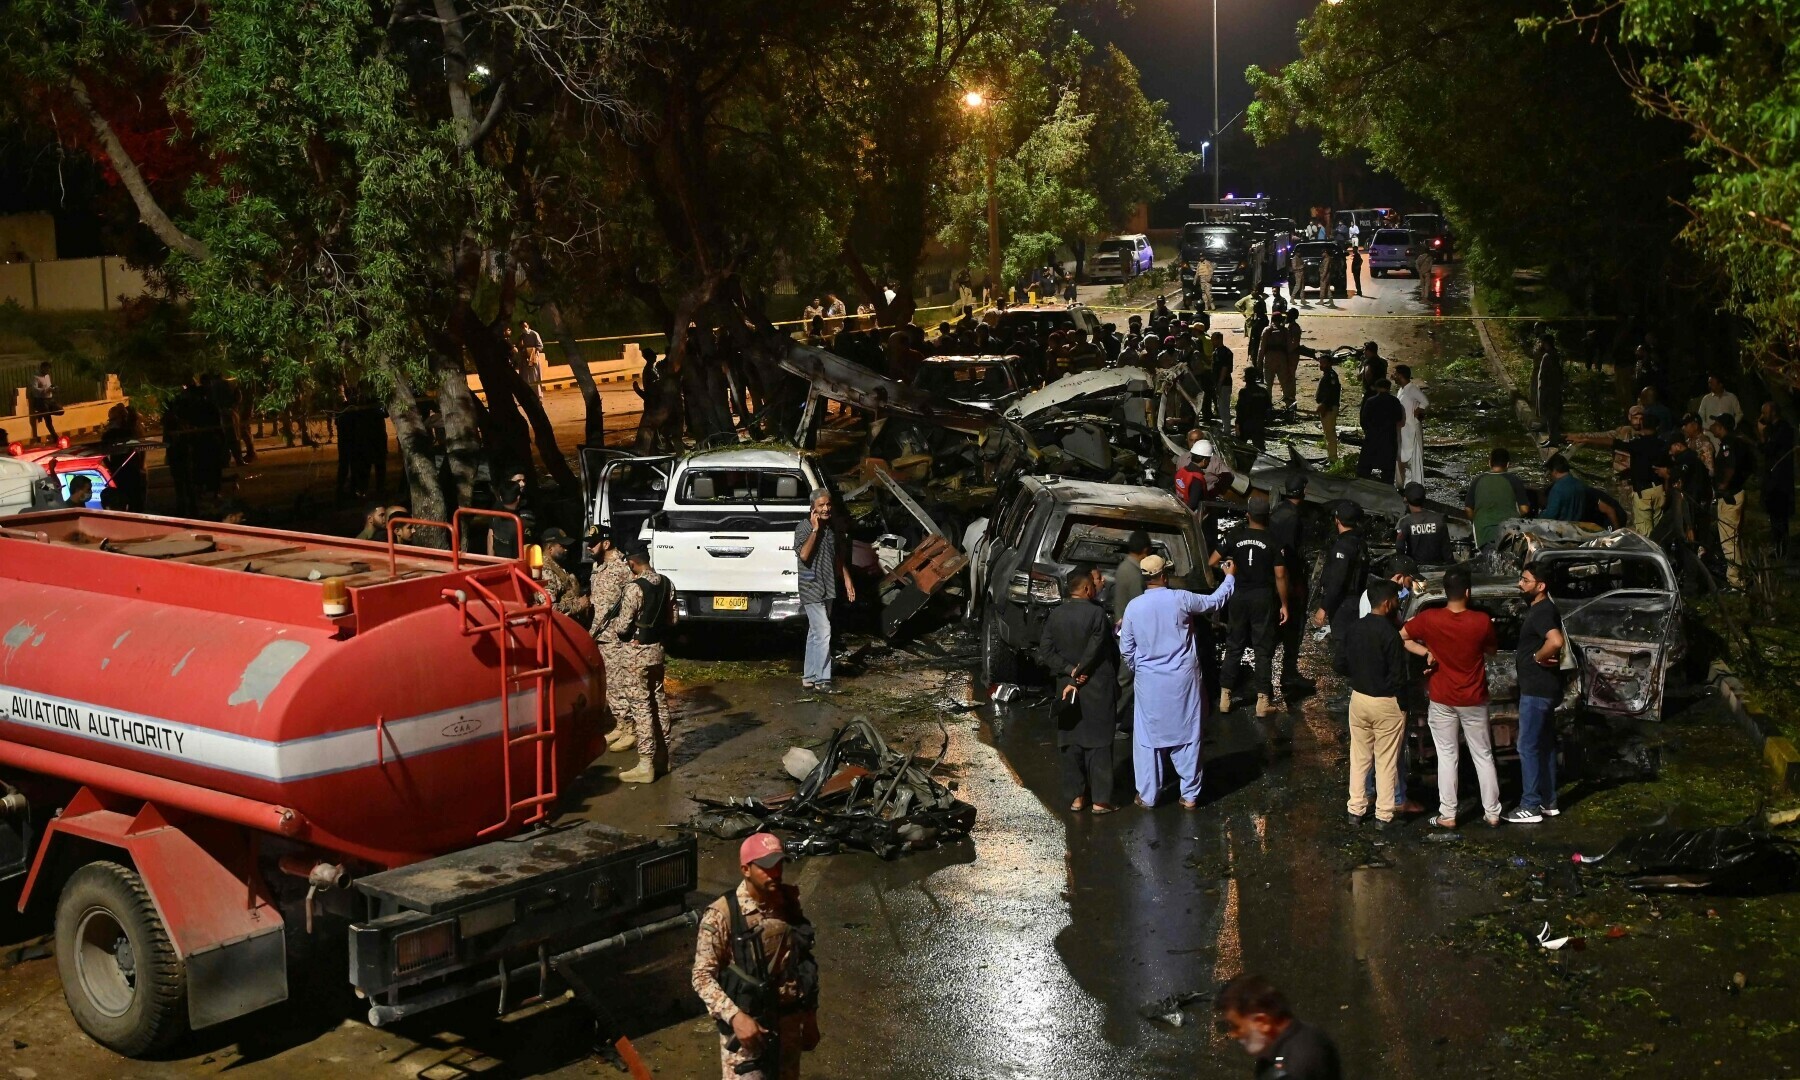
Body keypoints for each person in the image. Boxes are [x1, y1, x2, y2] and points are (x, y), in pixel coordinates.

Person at [692, 833, 820, 1080]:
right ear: (746, 869)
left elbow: (803, 963)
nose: (775, 872)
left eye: (779, 864)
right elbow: (702, 977)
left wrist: (810, 1016)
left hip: (789, 1026)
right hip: (750, 1034)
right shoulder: (722, 914)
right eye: (766, 866)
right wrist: (736, 1017)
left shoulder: (787, 901)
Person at [1118, 554, 1236, 808]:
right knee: (1188, 732)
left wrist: (1141, 668)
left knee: (1148, 739)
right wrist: (1229, 578)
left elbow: (1126, 649)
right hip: (1183, 680)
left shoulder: (1133, 607)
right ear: (1163, 576)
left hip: (1149, 683)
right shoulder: (1180, 599)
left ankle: (1148, 796)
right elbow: (1214, 602)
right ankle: (1190, 795)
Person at [1401, 566, 1501, 829]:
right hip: (1474, 698)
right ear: (1467, 593)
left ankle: (1448, 814)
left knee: (1447, 756)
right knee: (1483, 755)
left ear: (1445, 592)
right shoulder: (1481, 621)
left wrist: (1425, 652)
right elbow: (1492, 650)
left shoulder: (1430, 619)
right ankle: (1492, 813)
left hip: (1442, 697)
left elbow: (1402, 636)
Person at [1036, 566, 1120, 813]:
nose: (1096, 588)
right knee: (1100, 744)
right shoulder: (1097, 614)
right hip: (1095, 685)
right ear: (1085, 589)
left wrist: (1068, 669)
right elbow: (1096, 648)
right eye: (1093, 585)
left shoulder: (1055, 615)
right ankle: (1101, 801)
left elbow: (1045, 652)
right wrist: (1080, 670)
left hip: (1067, 689)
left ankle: (1077, 798)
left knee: (1071, 743)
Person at [598, 545, 673, 783]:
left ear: (632, 563)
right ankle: (663, 758)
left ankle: (645, 764)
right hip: (657, 651)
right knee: (659, 703)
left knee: (641, 708)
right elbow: (673, 619)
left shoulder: (634, 588)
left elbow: (621, 627)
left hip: (635, 655)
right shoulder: (667, 583)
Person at [1212, 495, 1288, 720]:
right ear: (1268, 516)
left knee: (1234, 645)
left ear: (1247, 515)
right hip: (1263, 598)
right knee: (1262, 648)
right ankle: (1263, 700)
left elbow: (1212, 560)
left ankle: (1225, 696)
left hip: (1238, 597)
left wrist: (1227, 571)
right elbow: (1280, 574)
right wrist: (1284, 603)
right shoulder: (1274, 539)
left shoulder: (1235, 535)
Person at [1505, 562, 1567, 823]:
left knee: (1527, 746)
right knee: (1544, 745)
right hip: (1545, 688)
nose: (1521, 584)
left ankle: (1529, 805)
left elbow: (1556, 641)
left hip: (1536, 689)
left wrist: (1538, 657)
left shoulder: (1542, 612)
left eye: (1525, 580)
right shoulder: (1544, 609)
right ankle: (1548, 801)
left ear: (1540, 586)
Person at [1343, 579, 1407, 827]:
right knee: (1386, 760)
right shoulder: (1390, 634)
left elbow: (1340, 663)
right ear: (1388, 603)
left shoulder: (1354, 628)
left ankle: (1355, 811)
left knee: (1359, 758)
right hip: (1385, 702)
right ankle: (1383, 815)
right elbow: (1399, 676)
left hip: (1358, 698)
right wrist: (1403, 705)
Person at [1215, 975, 1342, 1080]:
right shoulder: (1303, 1037)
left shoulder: (1295, 1067)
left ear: (1262, 1022)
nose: (1233, 1034)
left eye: (1236, 1026)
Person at [1568, 405, 1669, 535]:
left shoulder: (1640, 443)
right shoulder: (1629, 434)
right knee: (1647, 524)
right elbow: (1607, 438)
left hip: (1643, 491)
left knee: (1645, 531)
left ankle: (1648, 551)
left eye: (1640, 418)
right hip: (1647, 489)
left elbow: (1615, 443)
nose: (1637, 421)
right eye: (1635, 417)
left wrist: (1585, 439)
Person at [584, 525, 639, 752]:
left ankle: (631, 729)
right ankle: (620, 722)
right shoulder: (599, 565)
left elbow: (634, 597)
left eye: (593, 543)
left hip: (616, 635)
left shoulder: (622, 566)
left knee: (620, 681)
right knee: (610, 685)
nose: (589, 547)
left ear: (606, 544)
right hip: (600, 634)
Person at [796, 488, 855, 691]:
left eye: (828, 504)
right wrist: (814, 530)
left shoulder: (831, 530)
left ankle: (809, 677)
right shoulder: (804, 528)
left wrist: (847, 579)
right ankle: (823, 680)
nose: (826, 508)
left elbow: (836, 558)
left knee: (815, 633)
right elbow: (803, 555)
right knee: (823, 631)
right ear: (813, 508)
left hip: (828, 587)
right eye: (821, 505)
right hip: (810, 587)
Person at [1268, 476, 1315, 702]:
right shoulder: (1293, 518)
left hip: (1275, 579)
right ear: (1303, 490)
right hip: (1288, 579)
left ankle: (1266, 678)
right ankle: (1288, 674)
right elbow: (1289, 554)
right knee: (1291, 629)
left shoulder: (1277, 512)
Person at [1312, 502, 1370, 655]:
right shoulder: (1360, 542)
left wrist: (1323, 608)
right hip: (1357, 600)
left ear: (1337, 520)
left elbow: (1338, 580)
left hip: (1344, 603)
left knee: (1343, 645)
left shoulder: (1343, 546)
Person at [1711, 414, 1752, 589]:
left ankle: (1736, 583)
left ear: (1721, 426)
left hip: (1729, 496)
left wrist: (1723, 486)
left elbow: (1730, 467)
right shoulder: (1740, 442)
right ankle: (1740, 576)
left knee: (1728, 540)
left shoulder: (1729, 444)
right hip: (1737, 493)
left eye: (1715, 424)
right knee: (1734, 539)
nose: (1712, 426)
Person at [1463, 448, 1531, 548]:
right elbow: (1525, 509)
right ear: (1508, 464)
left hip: (1483, 533)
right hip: (1509, 533)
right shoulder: (1514, 480)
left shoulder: (1477, 480)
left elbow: (1468, 509)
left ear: (1490, 463)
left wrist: (1477, 521)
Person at [535, 527, 592, 627]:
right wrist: (578, 605)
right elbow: (548, 607)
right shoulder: (546, 571)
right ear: (550, 549)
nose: (566, 549)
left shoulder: (558, 566)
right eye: (562, 546)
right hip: (560, 628)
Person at [1759, 402, 1795, 557]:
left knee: (1780, 516)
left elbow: (1769, 448)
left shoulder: (1783, 429)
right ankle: (1778, 547)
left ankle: (1782, 549)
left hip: (1780, 480)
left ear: (1773, 413)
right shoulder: (1773, 429)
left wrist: (1761, 434)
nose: (1762, 417)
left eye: (1764, 413)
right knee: (1774, 515)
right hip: (1772, 479)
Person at [1356, 378, 1403, 484]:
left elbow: (1364, 418)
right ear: (1389, 388)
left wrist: (1367, 429)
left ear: (1377, 388)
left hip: (1373, 434)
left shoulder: (1371, 401)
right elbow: (1399, 417)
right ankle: (1387, 482)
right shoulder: (1395, 401)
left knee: (1367, 459)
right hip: (1389, 434)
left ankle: (1364, 480)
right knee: (1388, 462)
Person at [1395, 482, 1451, 564]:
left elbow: (1400, 547)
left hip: (1416, 569)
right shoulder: (1439, 519)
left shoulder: (1405, 522)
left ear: (1405, 499)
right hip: (1438, 567)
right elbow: (1447, 550)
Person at [1393, 364, 1429, 488]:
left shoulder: (1412, 388)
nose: (1393, 376)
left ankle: (1415, 486)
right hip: (1403, 429)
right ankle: (1403, 484)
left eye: (1395, 374)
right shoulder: (1401, 389)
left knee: (1413, 458)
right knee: (1402, 456)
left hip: (1411, 427)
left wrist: (1419, 409)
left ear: (1401, 375)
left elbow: (1425, 401)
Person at [1540, 454, 1586, 521]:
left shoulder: (1558, 488)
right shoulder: (1580, 484)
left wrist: (1538, 517)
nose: (1550, 475)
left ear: (1555, 471)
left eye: (1550, 472)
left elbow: (1550, 515)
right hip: (1577, 526)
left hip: (1561, 528)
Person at [1236, 369, 1273, 451]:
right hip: (1259, 423)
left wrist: (1237, 425)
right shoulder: (1263, 391)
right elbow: (1269, 408)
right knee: (1260, 448)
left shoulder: (1244, 392)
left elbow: (1240, 410)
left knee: (1240, 447)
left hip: (1246, 423)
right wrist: (1268, 422)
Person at [27, 362, 56, 444]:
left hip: (50, 399)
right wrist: (46, 390)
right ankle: (55, 436)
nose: (48, 370)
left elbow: (49, 386)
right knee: (48, 419)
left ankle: (41, 413)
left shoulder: (47, 376)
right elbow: (34, 389)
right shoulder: (35, 377)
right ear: (42, 368)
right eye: (46, 369)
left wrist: (53, 388)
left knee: (60, 410)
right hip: (41, 400)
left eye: (49, 369)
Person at [1211, 331, 1235, 430]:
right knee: (1222, 406)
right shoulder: (1221, 351)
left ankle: (1227, 429)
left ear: (1219, 339)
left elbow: (1224, 368)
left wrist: (1219, 383)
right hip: (1223, 382)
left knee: (1224, 407)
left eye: (1214, 339)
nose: (1212, 342)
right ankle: (1226, 428)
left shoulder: (1222, 352)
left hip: (1224, 383)